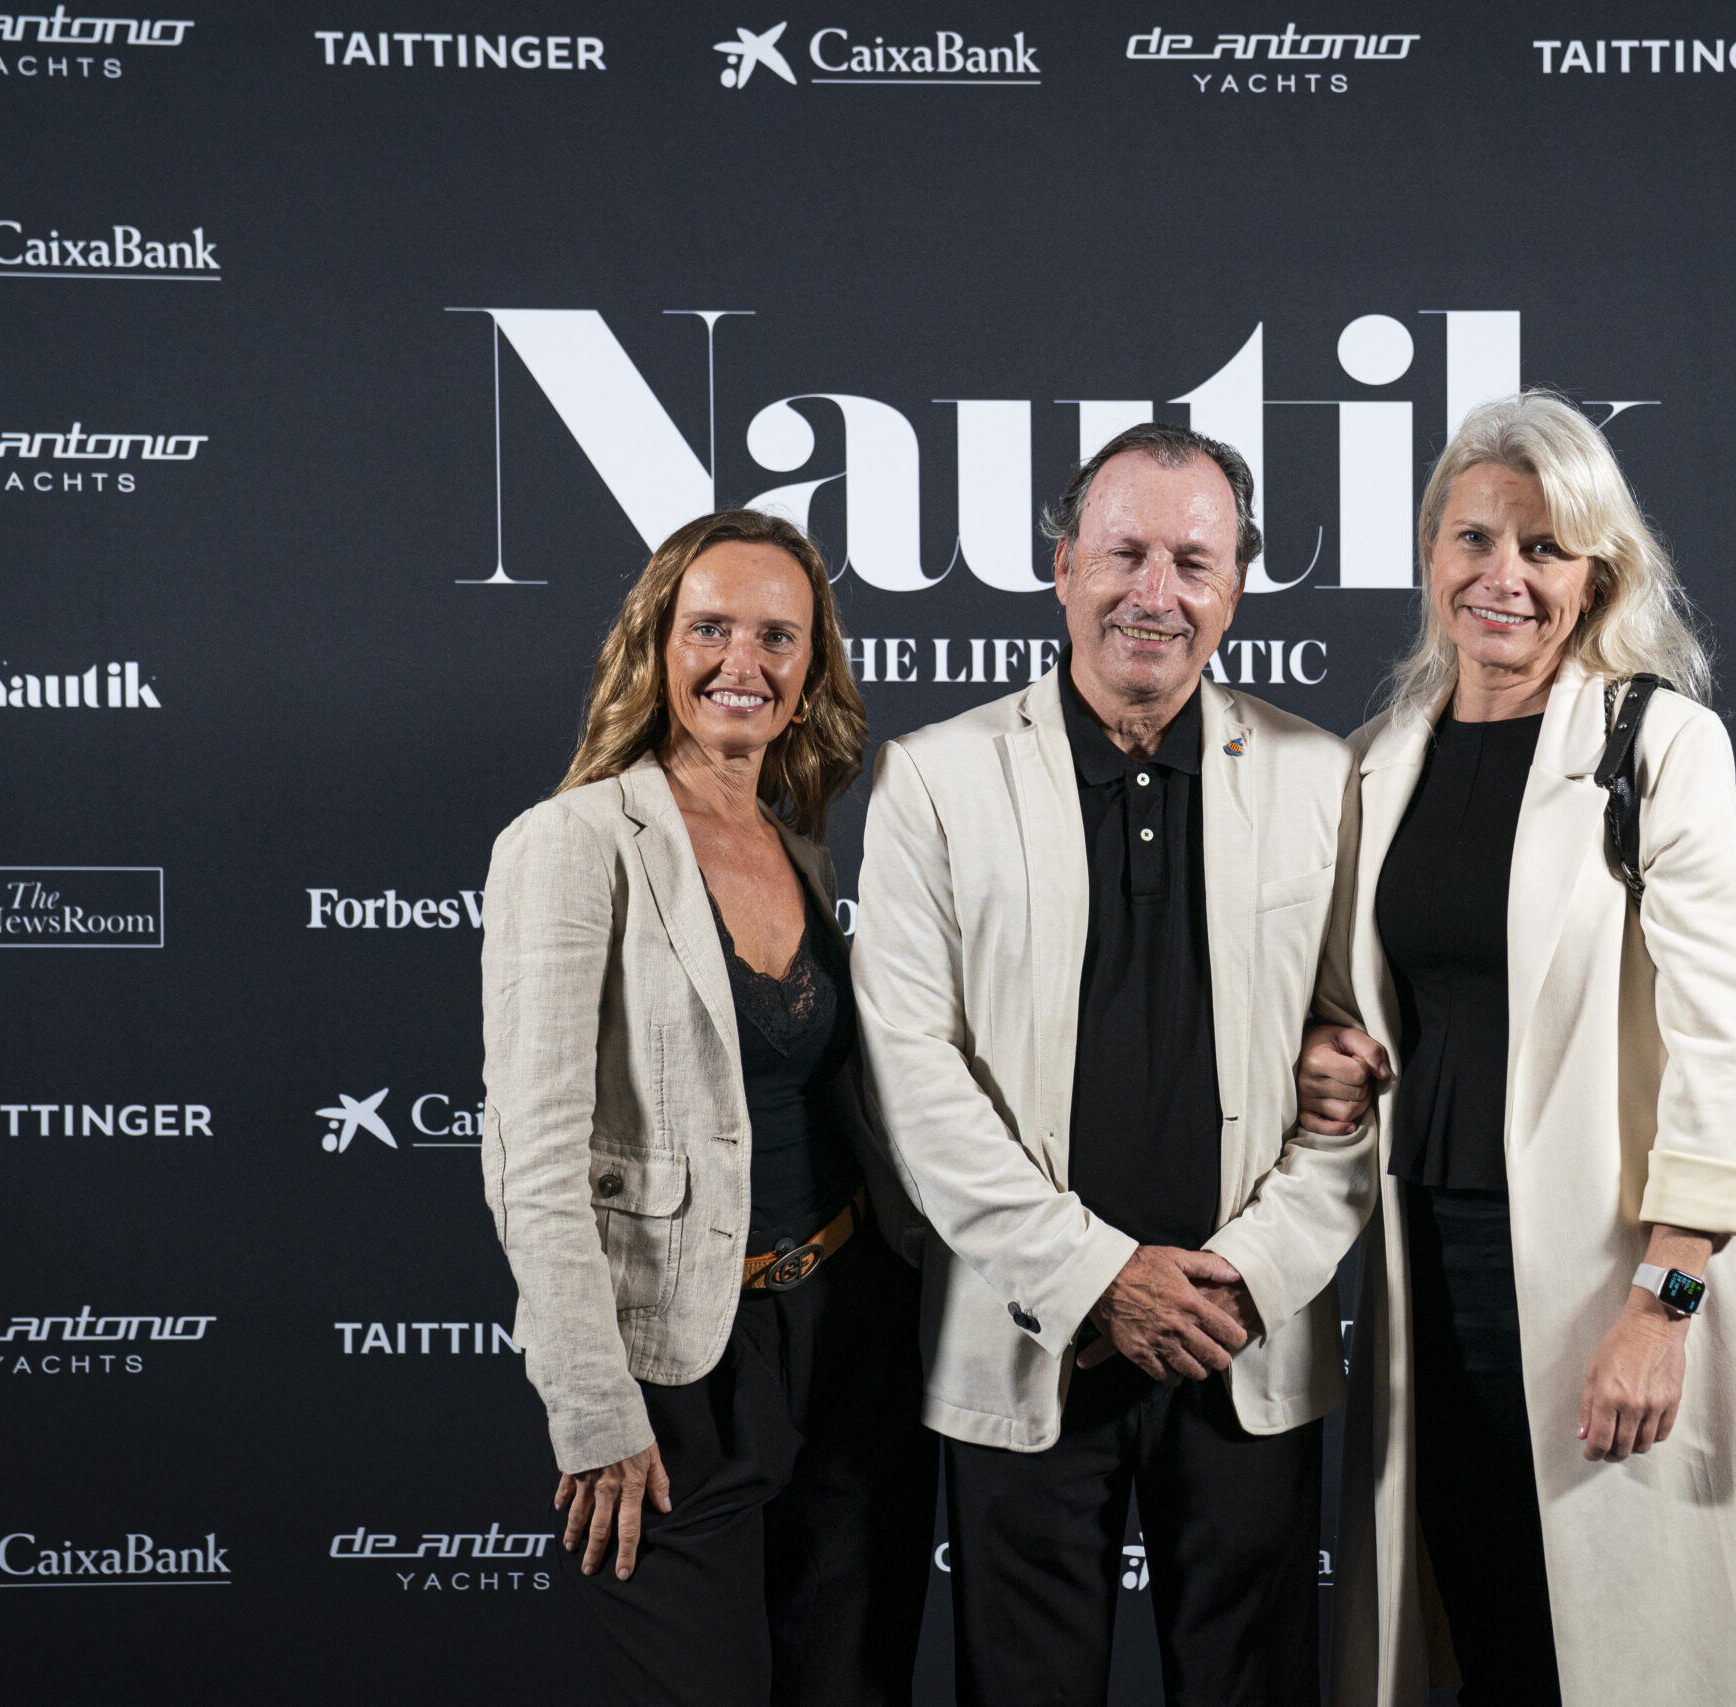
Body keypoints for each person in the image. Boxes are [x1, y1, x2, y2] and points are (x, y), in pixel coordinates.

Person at [852, 422, 1370, 1707]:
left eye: (1194, 563)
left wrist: (1245, 1280)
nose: (1156, 593)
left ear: (1235, 588)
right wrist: (1097, 1279)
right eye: (1125, 553)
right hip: (1024, 1333)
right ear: (1062, 567)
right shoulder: (934, 781)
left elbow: (1361, 1074)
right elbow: (914, 1081)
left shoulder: (1321, 778)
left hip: (1242, 1339)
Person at [1301, 393, 1736, 1706]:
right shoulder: (1374, 763)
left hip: (1609, 1273)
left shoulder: (1661, 743)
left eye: (1543, 547)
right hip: (1424, 1265)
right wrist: (1325, 1053)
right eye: (1474, 538)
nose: (1503, 577)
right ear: (1431, 552)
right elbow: (1355, 999)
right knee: (1486, 1618)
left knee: (1622, 1649)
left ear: (1598, 572)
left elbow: (1723, 1030)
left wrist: (1665, 1298)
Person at [478, 509, 932, 1707]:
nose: (745, 662)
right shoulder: (572, 843)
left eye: (779, 636)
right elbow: (532, 1159)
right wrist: (593, 1410)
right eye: (711, 628)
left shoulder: (800, 845)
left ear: (812, 667)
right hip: (676, 1368)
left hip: (850, 1342)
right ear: (655, 646)